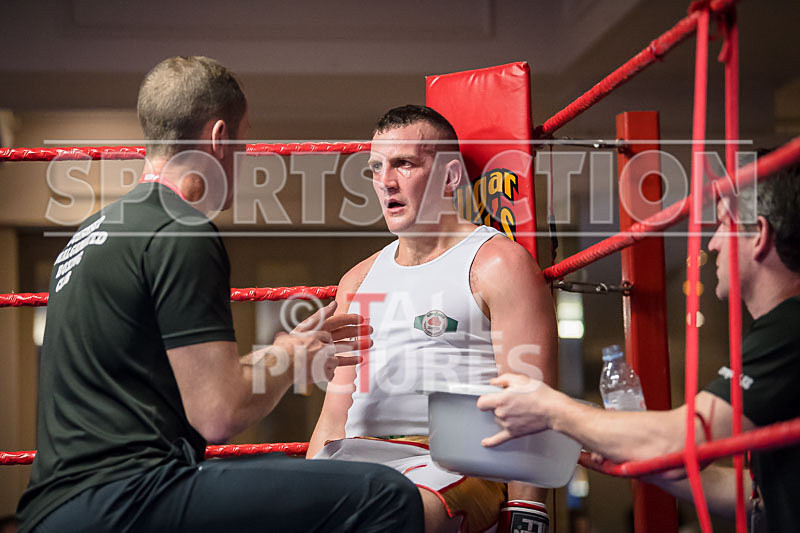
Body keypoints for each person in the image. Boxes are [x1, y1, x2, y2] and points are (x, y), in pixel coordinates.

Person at [16, 56, 424, 533]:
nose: (244, 158)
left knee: (287, 478)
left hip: (57, 508)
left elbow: (192, 378)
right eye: (243, 142)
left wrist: (286, 348)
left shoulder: (91, 232)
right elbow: (218, 414)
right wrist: (294, 359)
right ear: (218, 138)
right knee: (387, 493)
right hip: (128, 498)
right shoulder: (181, 228)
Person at [477, 160, 800, 530]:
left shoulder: (789, 327)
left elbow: (682, 440)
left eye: (724, 226)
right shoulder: (780, 328)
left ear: (759, 235)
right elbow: (759, 496)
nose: (713, 244)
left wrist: (550, 408)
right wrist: (629, 449)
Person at [307, 105, 558, 533]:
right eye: (376, 167)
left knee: (392, 515)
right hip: (359, 459)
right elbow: (333, 418)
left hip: (456, 461)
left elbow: (535, 404)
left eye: (404, 164)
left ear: (450, 176)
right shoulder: (358, 280)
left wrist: (526, 516)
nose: (386, 181)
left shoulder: (497, 264)